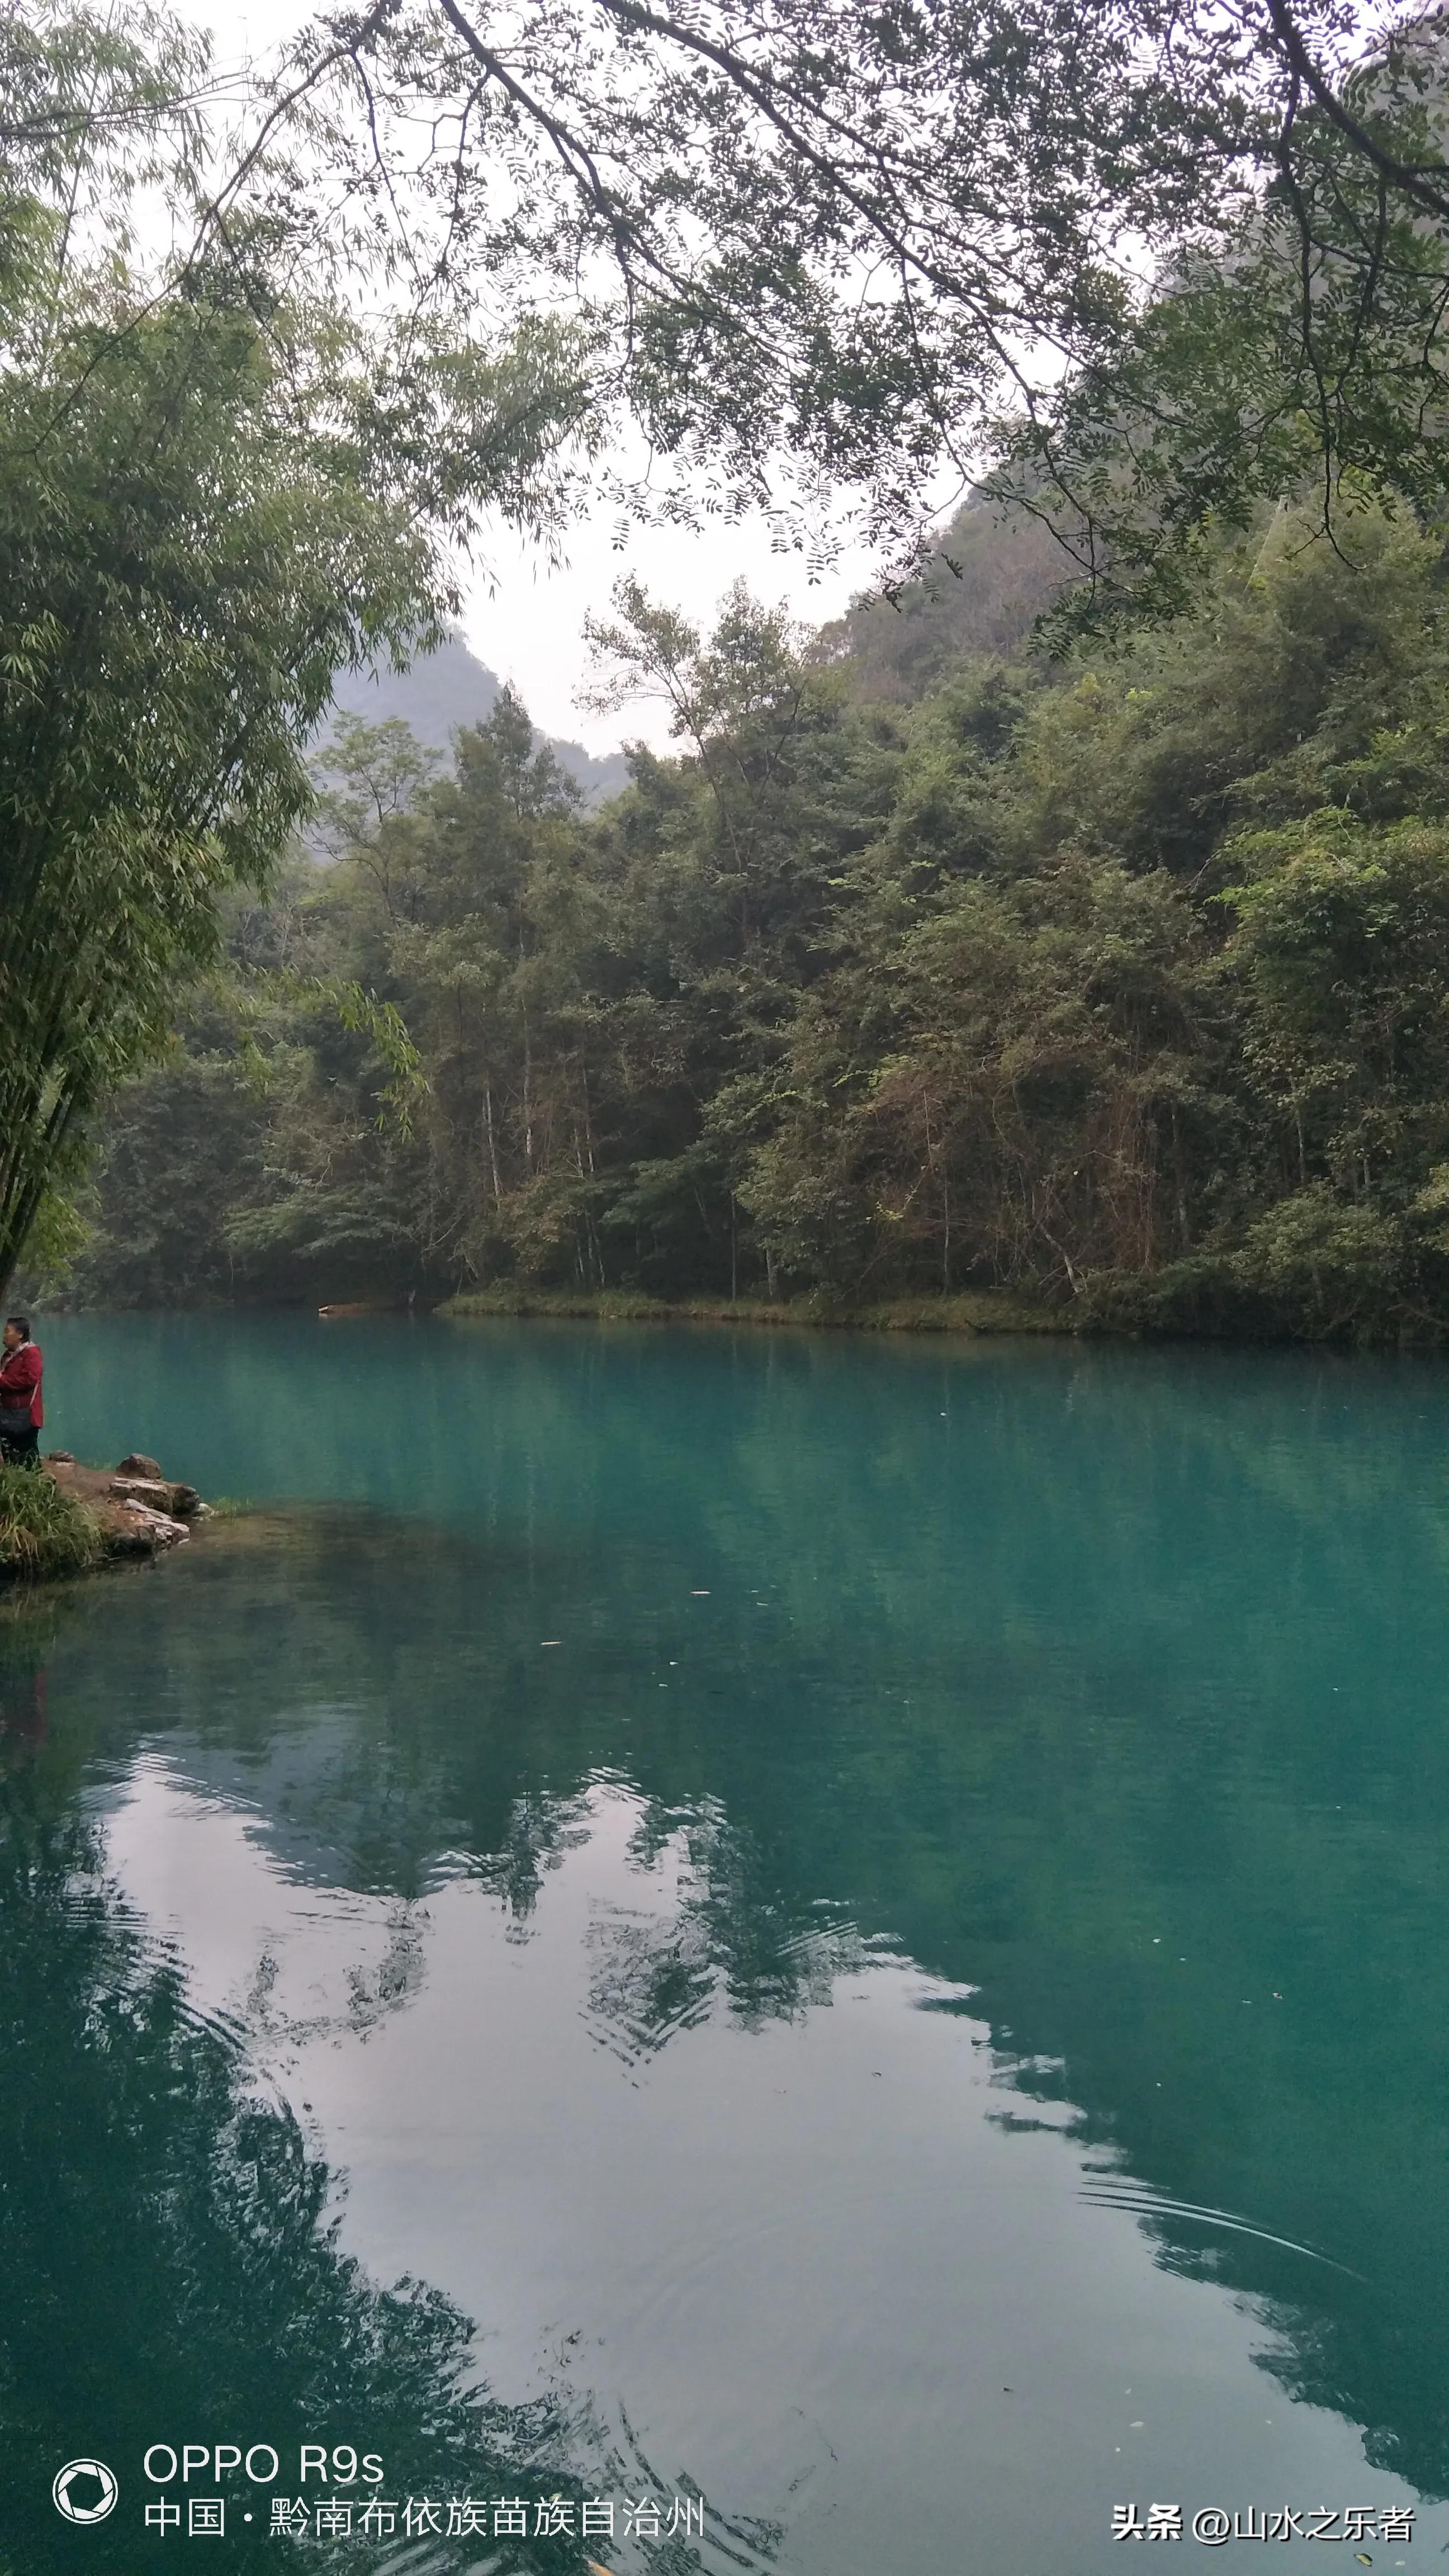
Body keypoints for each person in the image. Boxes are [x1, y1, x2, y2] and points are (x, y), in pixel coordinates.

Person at [0, 1317, 43, 1468]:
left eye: (7, 1331)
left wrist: (1, 1380)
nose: (4, 1336)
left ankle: (38, 1487)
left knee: (28, 1458)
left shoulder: (31, 1353)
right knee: (11, 1455)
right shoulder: (9, 1355)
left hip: (25, 1416)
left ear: (20, 1334)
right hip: (8, 1413)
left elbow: (29, 1380)